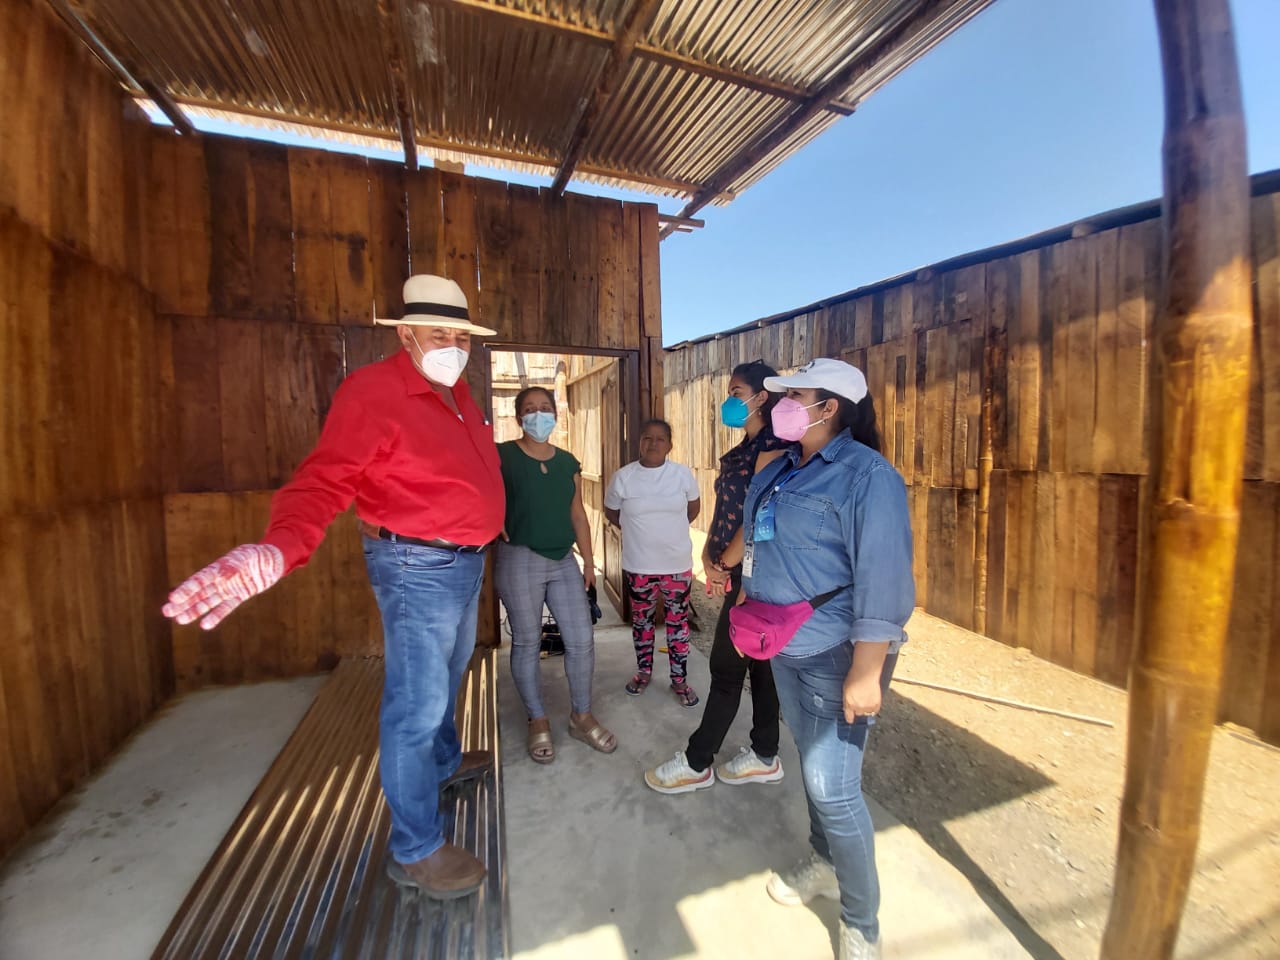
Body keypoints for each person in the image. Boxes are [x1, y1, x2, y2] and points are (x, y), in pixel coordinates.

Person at [161, 275, 505, 901]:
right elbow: (323, 480)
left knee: (450, 674)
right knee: (415, 705)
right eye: (439, 334)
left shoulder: (458, 393)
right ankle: (416, 848)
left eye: (461, 337)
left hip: (464, 563)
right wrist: (280, 545)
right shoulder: (372, 392)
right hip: (417, 567)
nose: (454, 346)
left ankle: (444, 763)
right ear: (406, 335)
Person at [748, 358, 913, 960]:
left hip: (836, 650)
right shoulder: (784, 468)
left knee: (833, 787)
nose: (780, 406)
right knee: (813, 768)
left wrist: (867, 672)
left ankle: (862, 924)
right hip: (785, 643)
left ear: (829, 408)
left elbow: (884, 579)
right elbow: (765, 546)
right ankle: (823, 864)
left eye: (795, 396)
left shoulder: (869, 477)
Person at [644, 360, 791, 794]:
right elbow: (728, 509)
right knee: (760, 665)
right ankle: (765, 754)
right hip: (739, 570)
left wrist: (725, 563)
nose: (729, 401)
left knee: (726, 668)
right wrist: (709, 554)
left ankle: (697, 762)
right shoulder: (745, 448)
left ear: (761, 397)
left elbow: (761, 513)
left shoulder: (774, 447)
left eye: (736, 392)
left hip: (759, 575)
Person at [495, 386, 616, 763]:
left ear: (555, 414)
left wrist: (589, 563)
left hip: (563, 559)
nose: (538, 414)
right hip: (519, 557)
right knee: (527, 641)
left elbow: (577, 514)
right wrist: (491, 518)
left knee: (581, 639)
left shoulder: (567, 463)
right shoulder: (502, 456)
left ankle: (581, 716)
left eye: (544, 408)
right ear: (519, 417)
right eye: (530, 409)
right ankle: (537, 719)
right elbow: (479, 490)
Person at [604, 419, 702, 707]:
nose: (653, 443)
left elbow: (692, 510)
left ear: (670, 445)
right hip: (639, 567)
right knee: (642, 622)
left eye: (660, 438)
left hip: (676, 566)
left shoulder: (682, 475)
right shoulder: (623, 477)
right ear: (640, 442)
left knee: (677, 625)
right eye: (647, 437)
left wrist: (667, 533)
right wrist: (639, 533)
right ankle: (643, 673)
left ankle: (679, 680)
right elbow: (612, 513)